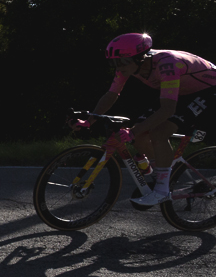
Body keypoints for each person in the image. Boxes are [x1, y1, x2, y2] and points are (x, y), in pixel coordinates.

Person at [86, 32, 216, 208]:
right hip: (183, 91)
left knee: (158, 133)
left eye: (121, 62)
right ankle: (162, 173)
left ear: (140, 58)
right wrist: (90, 120)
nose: (117, 67)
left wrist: (132, 132)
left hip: (207, 91)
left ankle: (162, 190)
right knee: (140, 133)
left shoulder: (167, 64)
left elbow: (168, 109)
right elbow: (111, 94)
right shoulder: (128, 66)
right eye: (113, 62)